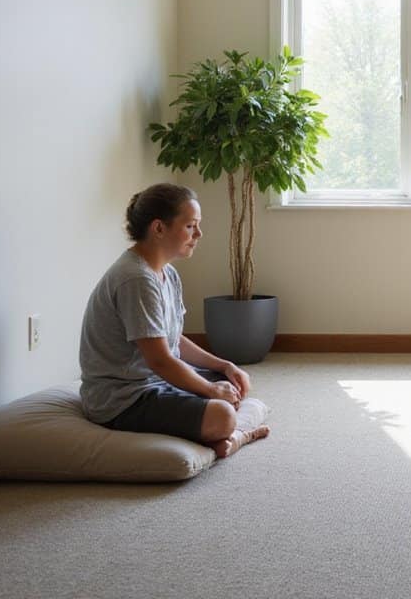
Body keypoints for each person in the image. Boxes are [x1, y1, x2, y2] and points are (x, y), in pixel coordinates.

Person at [79, 183, 270, 458]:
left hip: (156, 381)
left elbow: (172, 339)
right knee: (223, 415)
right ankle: (235, 436)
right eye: (191, 226)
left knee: (235, 381)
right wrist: (209, 390)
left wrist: (224, 366)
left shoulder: (167, 274)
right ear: (158, 228)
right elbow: (160, 360)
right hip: (123, 398)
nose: (199, 234)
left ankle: (217, 435)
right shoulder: (136, 279)